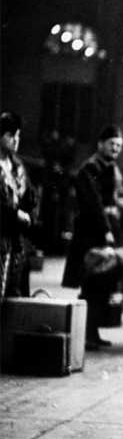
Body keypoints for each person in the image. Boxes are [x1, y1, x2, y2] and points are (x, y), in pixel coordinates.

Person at [62, 125, 123, 350]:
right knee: (91, 284)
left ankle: (94, 332)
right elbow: (93, 203)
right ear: (100, 144)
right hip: (92, 234)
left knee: (102, 284)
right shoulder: (89, 168)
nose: (115, 149)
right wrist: (106, 229)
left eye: (119, 145)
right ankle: (87, 333)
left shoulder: (111, 168)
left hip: (105, 232)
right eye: (112, 144)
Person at [0, 111, 36, 299]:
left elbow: (31, 199)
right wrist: (14, 214)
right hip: (2, 238)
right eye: (10, 135)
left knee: (15, 299)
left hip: (17, 244)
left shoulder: (18, 167)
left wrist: (29, 215)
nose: (15, 140)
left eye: (18, 135)